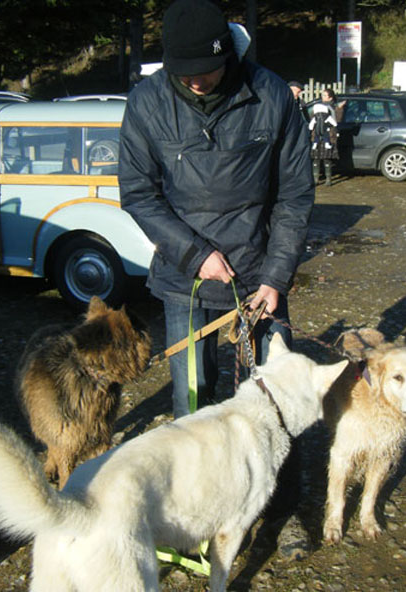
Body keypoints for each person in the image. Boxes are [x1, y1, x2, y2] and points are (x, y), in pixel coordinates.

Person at [119, 0, 314, 555]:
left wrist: (276, 276)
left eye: (206, 71)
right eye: (184, 74)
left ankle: (282, 512)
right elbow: (138, 192)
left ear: (229, 55)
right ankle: (194, 516)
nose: (197, 83)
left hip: (259, 278)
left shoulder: (271, 95)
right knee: (192, 402)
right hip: (186, 280)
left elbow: (295, 196)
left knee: (279, 400)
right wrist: (194, 253)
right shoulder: (148, 102)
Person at [309, 102, 339, 186]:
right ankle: (322, 180)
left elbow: (310, 127)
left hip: (318, 140)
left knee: (319, 160)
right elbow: (335, 124)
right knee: (322, 160)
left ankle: (322, 179)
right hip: (324, 140)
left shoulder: (315, 117)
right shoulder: (327, 117)